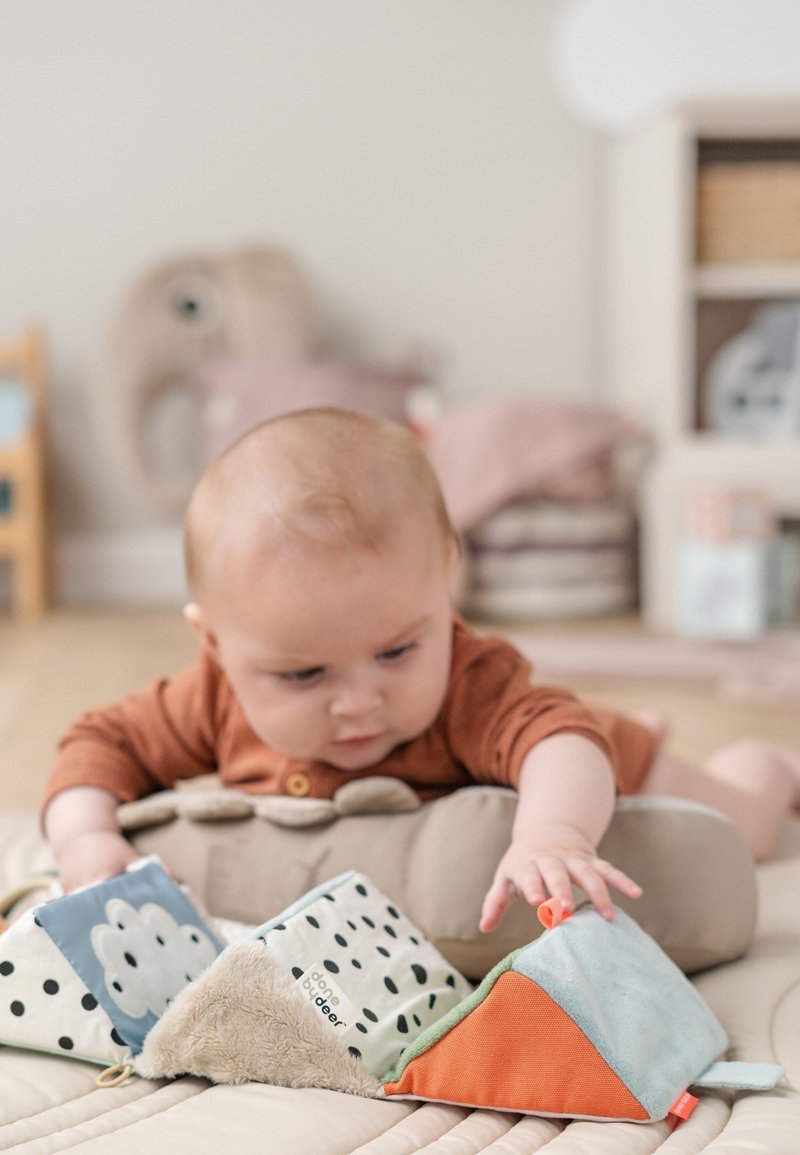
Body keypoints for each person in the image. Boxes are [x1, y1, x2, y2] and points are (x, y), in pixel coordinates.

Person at [42, 408, 800, 932]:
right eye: (304, 676)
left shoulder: (472, 681)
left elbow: (558, 740)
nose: (360, 702)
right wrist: (85, 842)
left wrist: (555, 832)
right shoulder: (209, 698)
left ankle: (768, 766)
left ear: (446, 582)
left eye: (397, 651)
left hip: (593, 763)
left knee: (746, 830)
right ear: (215, 645)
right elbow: (97, 745)